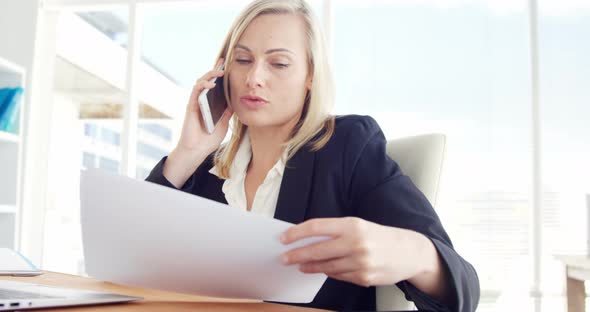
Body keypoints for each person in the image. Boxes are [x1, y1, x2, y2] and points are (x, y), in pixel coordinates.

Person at [146, 0, 479, 311]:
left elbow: (463, 287)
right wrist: (188, 152)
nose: (254, 78)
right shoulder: (206, 169)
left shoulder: (349, 147)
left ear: (310, 76)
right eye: (243, 60)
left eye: (278, 63)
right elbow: (138, 259)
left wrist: (409, 253)